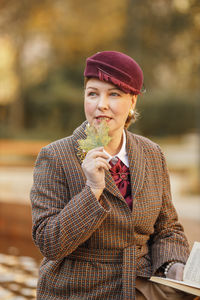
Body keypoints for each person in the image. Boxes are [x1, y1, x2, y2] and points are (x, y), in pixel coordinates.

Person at [30, 51, 194, 299]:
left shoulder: (152, 154)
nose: (101, 104)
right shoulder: (55, 156)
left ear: (133, 102)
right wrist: (92, 190)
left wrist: (174, 266)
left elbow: (167, 228)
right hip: (78, 292)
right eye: (92, 93)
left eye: (114, 94)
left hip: (140, 290)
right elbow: (49, 243)